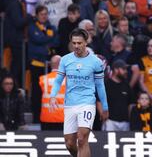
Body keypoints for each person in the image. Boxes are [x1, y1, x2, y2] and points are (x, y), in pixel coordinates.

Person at [49, 28, 109, 157]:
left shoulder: (95, 62)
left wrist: (105, 106)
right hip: (70, 104)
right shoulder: (65, 60)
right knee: (69, 144)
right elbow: (58, 80)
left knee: (82, 138)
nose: (76, 46)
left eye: (79, 43)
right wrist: (53, 95)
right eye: (74, 43)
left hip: (87, 103)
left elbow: (100, 85)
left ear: (85, 42)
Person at [28, 5, 57, 123]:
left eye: (46, 14)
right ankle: (36, 118)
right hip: (36, 64)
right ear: (37, 15)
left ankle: (49, 116)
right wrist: (49, 37)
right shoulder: (32, 27)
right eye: (42, 14)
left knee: (49, 92)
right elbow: (37, 40)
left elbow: (57, 41)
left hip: (48, 65)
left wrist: (48, 38)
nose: (44, 16)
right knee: (36, 92)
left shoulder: (51, 27)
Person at [102, 59, 134, 131]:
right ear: (116, 70)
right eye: (123, 69)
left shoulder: (126, 85)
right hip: (109, 121)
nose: (126, 71)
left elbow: (131, 104)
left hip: (125, 122)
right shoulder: (106, 84)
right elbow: (99, 101)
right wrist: (102, 115)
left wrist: (129, 118)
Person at [39, 55, 65, 130]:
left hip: (46, 118)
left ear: (50, 65)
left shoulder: (43, 79)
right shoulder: (68, 80)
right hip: (63, 118)